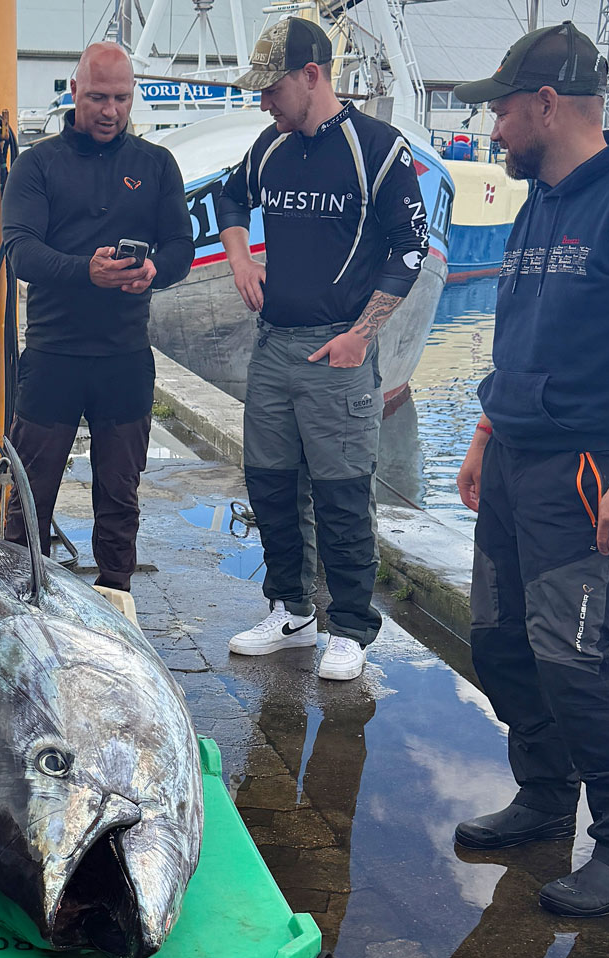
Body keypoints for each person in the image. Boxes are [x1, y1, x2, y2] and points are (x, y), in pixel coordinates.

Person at [449, 22, 609, 917]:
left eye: (503, 110)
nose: (494, 128)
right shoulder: (540, 202)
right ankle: (544, 794)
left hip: (591, 471)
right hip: (514, 457)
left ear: (547, 104)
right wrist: (485, 433)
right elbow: (521, 334)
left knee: (579, 662)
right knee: (499, 639)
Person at [216, 18, 428, 681]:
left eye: (272, 89)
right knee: (271, 484)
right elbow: (229, 197)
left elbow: (410, 247)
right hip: (273, 344)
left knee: (342, 494)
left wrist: (361, 335)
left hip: (338, 350)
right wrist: (240, 258)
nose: (263, 103)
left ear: (312, 75)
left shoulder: (378, 149)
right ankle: (290, 610)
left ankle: (352, 626)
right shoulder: (270, 146)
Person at [1, 41, 194, 591]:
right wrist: (86, 270)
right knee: (31, 492)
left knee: (119, 494)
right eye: (98, 98)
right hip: (54, 355)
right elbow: (19, 251)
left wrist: (153, 269)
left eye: (121, 99)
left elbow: (181, 246)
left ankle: (116, 592)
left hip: (124, 357)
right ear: (74, 91)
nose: (111, 111)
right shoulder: (38, 164)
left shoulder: (156, 165)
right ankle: (21, 596)